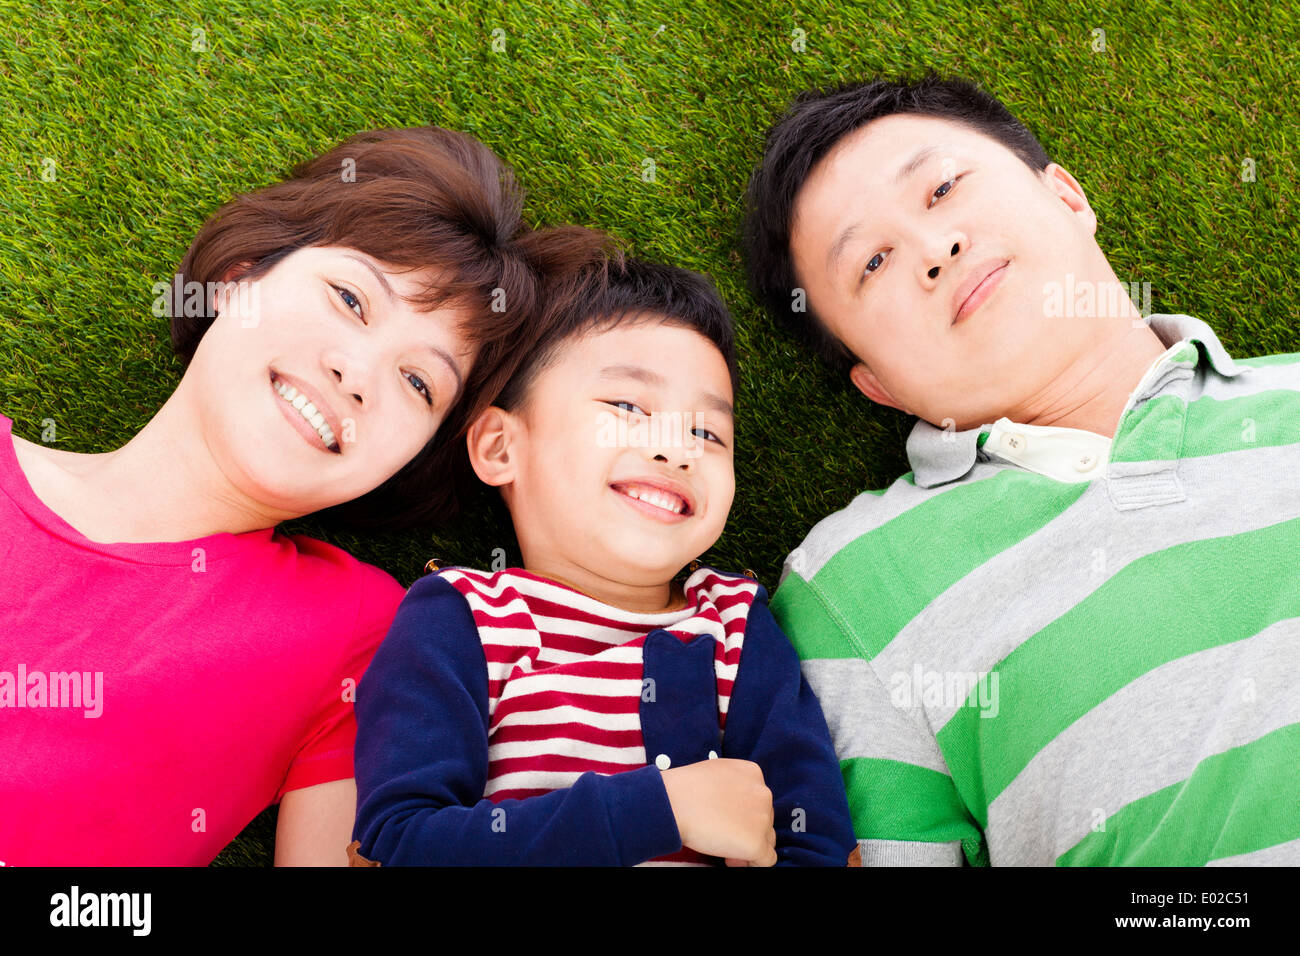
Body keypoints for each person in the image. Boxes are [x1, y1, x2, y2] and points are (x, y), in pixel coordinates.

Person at [0, 125, 614, 865]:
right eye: (351, 299)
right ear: (238, 275)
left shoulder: (358, 630)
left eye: (419, 383)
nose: (357, 374)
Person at [741, 73, 1300, 865]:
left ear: (1067, 197)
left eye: (942, 188)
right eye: (871, 263)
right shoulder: (855, 585)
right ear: (877, 384)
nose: (936, 250)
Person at [348, 255, 857, 866]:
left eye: (708, 435)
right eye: (629, 408)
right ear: (501, 447)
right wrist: (659, 812)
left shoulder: (735, 628)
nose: (675, 450)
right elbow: (399, 845)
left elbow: (818, 842)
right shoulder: (461, 619)